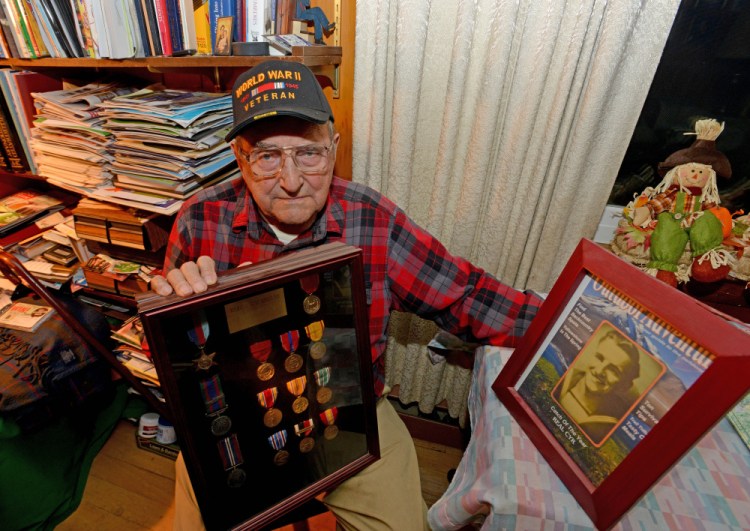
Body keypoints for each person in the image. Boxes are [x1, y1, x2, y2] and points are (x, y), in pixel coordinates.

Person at [151, 59, 542, 530]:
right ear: (240, 156)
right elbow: (184, 373)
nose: (291, 180)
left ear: (333, 149)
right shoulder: (200, 220)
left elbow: (464, 296)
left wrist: (562, 323)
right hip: (242, 426)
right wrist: (178, 315)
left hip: (356, 420)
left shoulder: (372, 219)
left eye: (309, 154)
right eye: (268, 156)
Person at [553, 327, 641, 445]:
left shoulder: (613, 424)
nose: (599, 371)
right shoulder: (562, 374)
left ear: (624, 386)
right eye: (599, 358)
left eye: (613, 370)